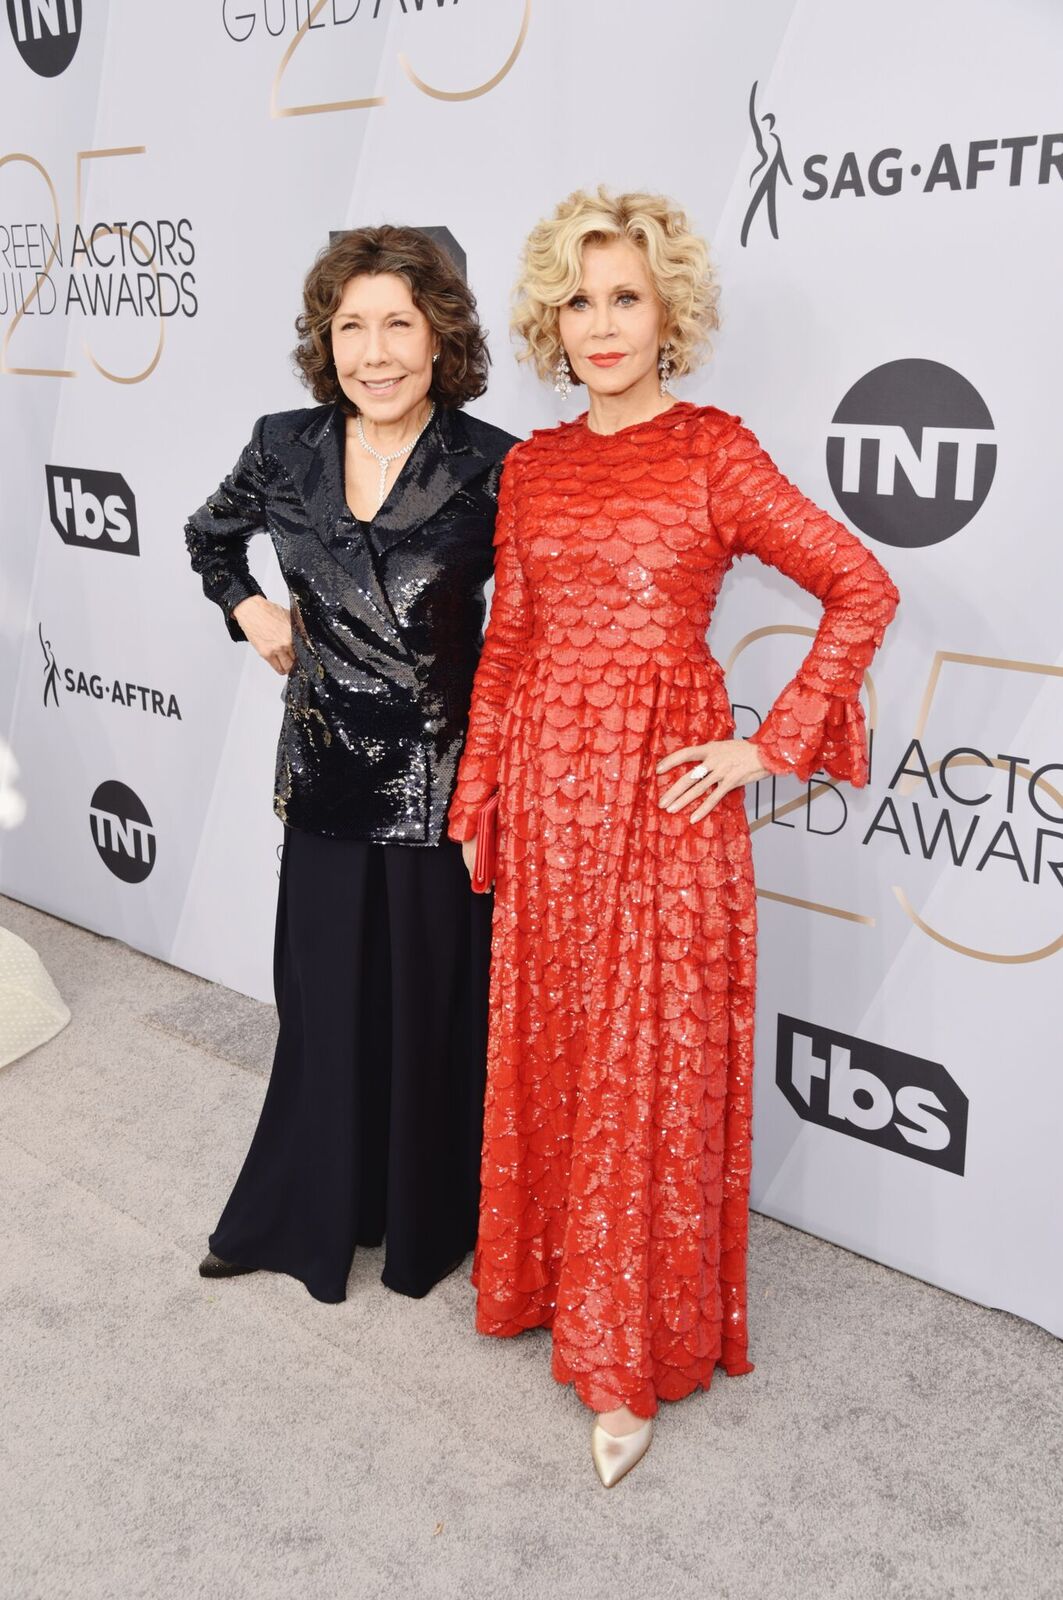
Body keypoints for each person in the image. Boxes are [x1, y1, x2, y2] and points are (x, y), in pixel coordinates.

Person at [447, 189, 899, 1486]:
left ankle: (625, 1358)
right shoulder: (529, 466)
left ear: (668, 313)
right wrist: (480, 792)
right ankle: (544, 1287)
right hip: (545, 796)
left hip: (662, 806)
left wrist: (773, 738)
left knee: (643, 1071)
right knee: (550, 1043)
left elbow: (857, 583)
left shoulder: (711, 451)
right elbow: (511, 645)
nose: (598, 325)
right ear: (551, 314)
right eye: (578, 300)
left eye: (624, 298)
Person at [185, 226, 517, 1304]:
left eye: (398, 325)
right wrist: (247, 606)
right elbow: (208, 534)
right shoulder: (282, 445)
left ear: (440, 339)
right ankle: (304, 1206)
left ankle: (425, 1222)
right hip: (325, 775)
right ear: (325, 342)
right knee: (323, 1007)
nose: (373, 352)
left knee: (428, 1014)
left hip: (442, 784)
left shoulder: (496, 462)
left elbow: (533, 623)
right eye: (350, 327)